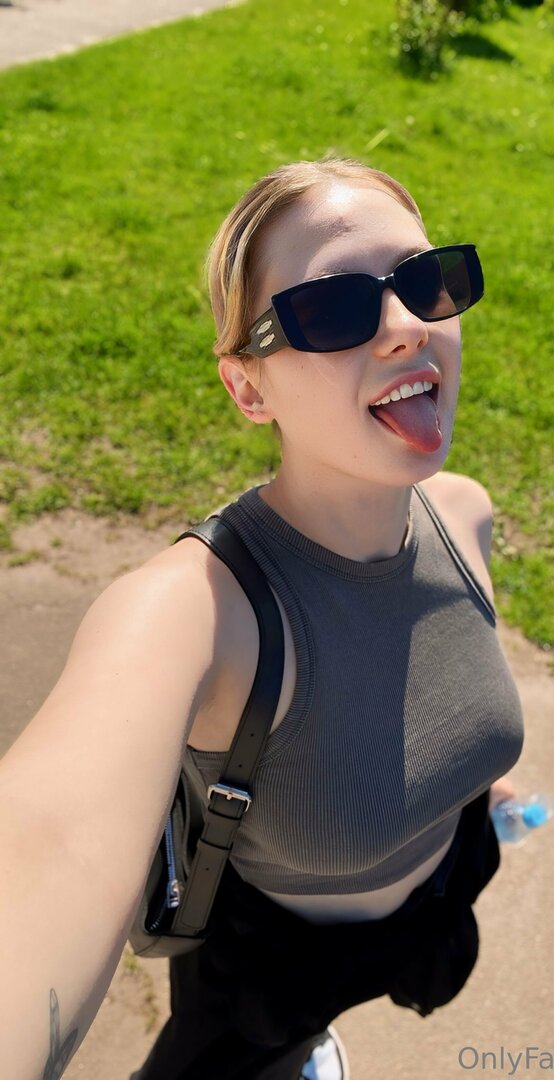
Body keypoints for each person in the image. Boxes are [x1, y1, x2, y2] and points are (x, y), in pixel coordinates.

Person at [0, 156, 524, 1080]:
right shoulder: (194, 610)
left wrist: (474, 779)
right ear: (249, 389)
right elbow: (49, 847)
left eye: (425, 281)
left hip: (430, 904)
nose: (407, 326)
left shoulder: (464, 513)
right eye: (332, 309)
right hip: (274, 966)